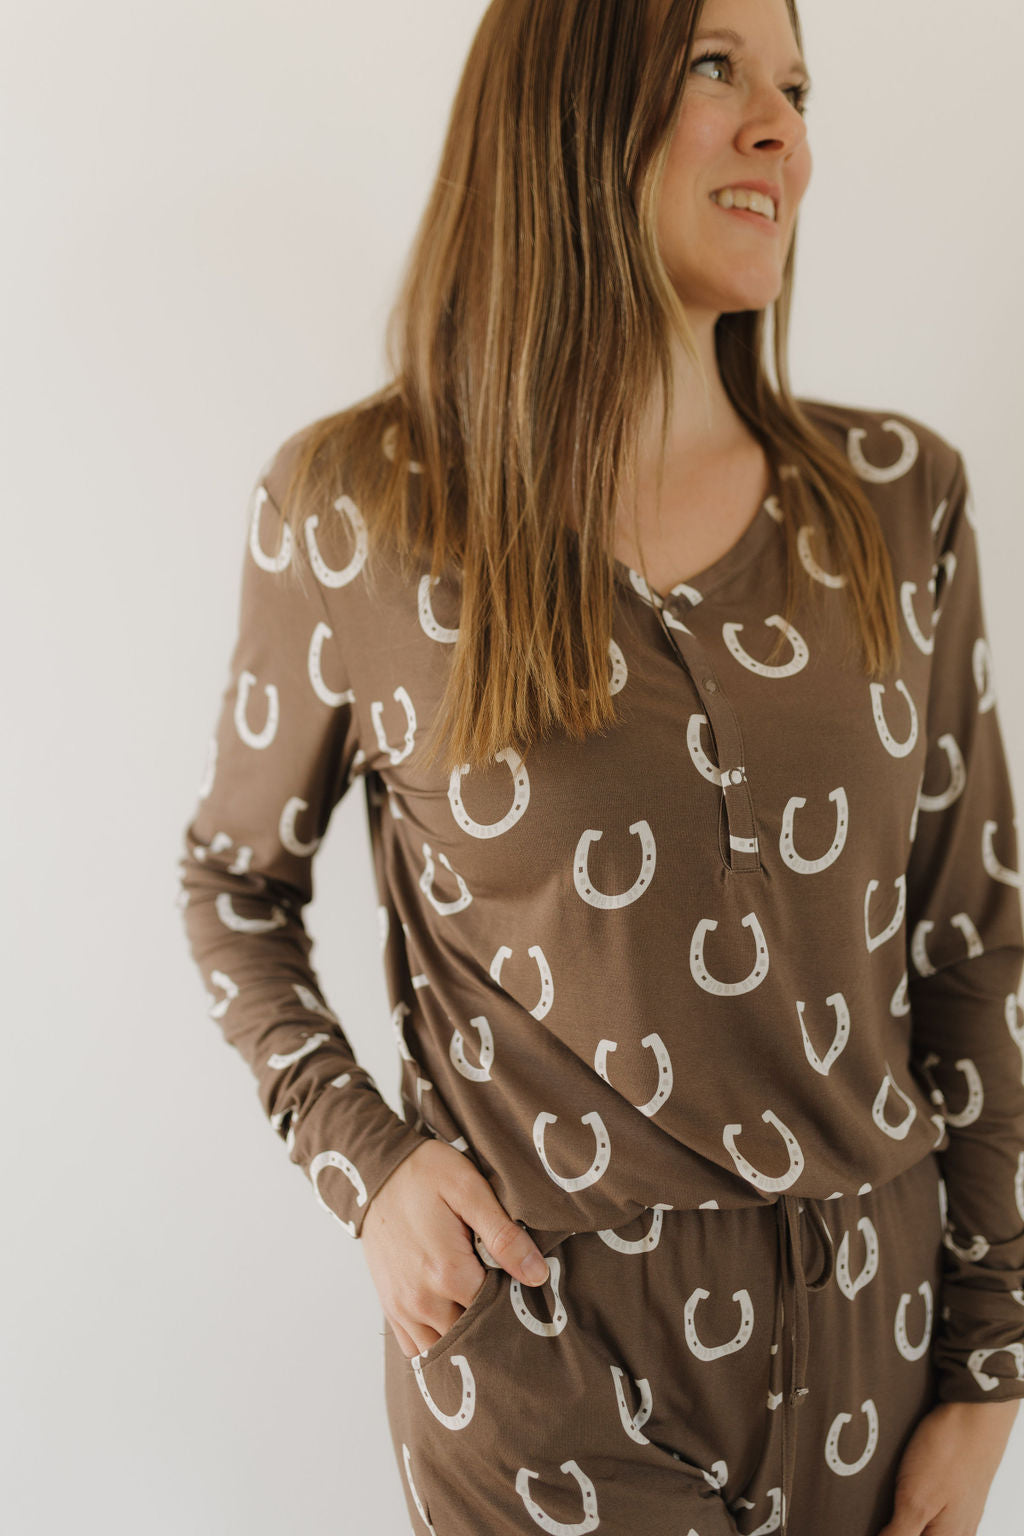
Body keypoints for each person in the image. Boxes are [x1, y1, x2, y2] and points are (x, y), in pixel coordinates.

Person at [176, 0, 1024, 1531]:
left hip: (878, 1347)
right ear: (568, 97)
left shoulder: (901, 506)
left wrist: (990, 1368)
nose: (787, 134)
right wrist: (365, 1165)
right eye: (718, 67)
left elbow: (974, 944)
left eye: (798, 87)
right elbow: (235, 886)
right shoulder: (358, 510)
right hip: (543, 1355)